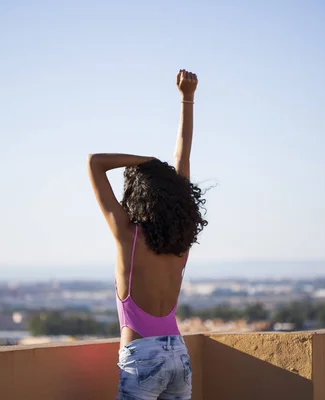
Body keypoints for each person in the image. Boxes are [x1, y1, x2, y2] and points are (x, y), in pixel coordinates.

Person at [87, 69, 207, 400]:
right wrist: (188, 97)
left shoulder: (130, 236)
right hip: (178, 356)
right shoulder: (181, 243)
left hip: (142, 358)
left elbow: (94, 162)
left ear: (137, 196)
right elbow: (183, 158)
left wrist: (148, 163)